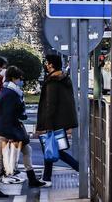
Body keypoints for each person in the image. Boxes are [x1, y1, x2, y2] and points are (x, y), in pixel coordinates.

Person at [0, 66, 44, 198]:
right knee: (0, 159)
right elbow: (8, 115)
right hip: (8, 130)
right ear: (14, 78)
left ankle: (32, 179)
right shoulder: (10, 93)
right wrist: (12, 135)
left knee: (27, 150)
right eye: (20, 78)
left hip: (11, 128)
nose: (21, 81)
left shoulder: (10, 91)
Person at [36, 54, 79, 184]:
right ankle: (47, 177)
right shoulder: (64, 78)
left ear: (51, 64)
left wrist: (47, 125)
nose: (45, 65)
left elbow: (51, 104)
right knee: (50, 148)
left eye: (47, 62)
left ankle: (79, 168)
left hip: (53, 122)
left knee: (53, 149)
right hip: (61, 121)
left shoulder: (53, 81)